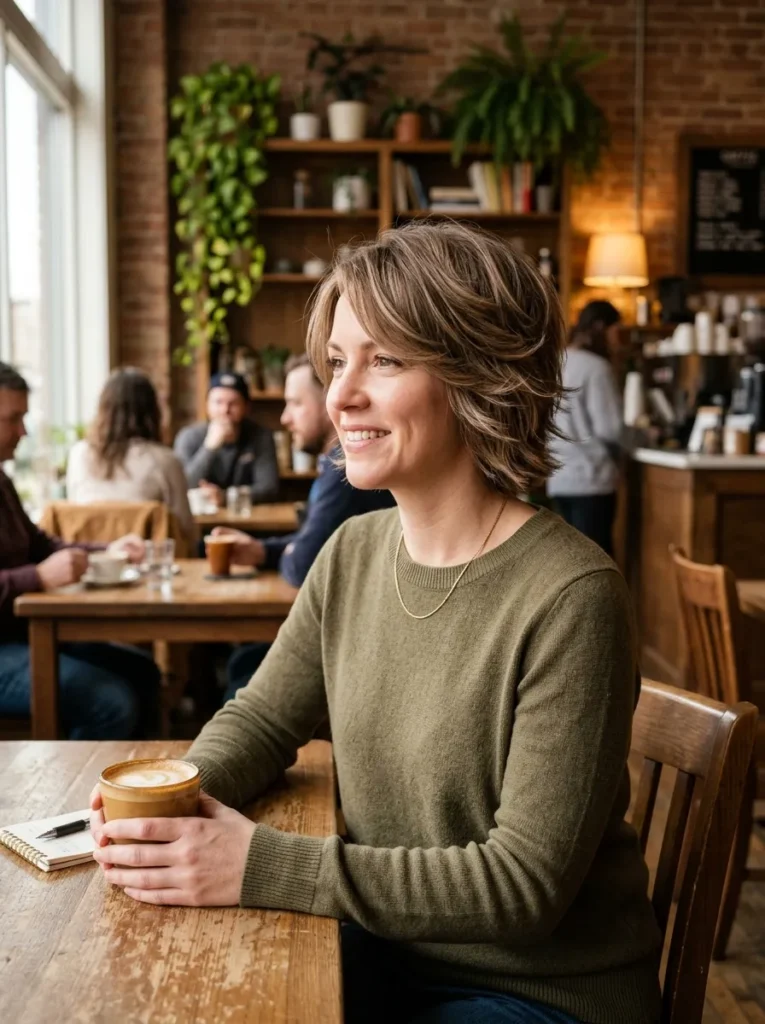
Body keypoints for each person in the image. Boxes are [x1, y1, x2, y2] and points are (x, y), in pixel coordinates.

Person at [90, 223, 661, 1024]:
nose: (340, 394)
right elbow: (261, 714)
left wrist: (257, 865)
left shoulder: (571, 595)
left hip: (535, 992)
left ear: (480, 376)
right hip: (380, 947)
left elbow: (522, 887)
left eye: (384, 360)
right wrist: (174, 802)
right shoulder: (355, 550)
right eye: (337, 361)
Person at [213, 352, 395, 701]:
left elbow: (303, 564)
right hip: (354, 631)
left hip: (358, 644)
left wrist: (292, 552)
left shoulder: (343, 471)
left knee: (241, 679)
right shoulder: (337, 463)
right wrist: (263, 551)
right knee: (242, 662)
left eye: (295, 403)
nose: (284, 418)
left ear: (330, 398)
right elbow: (310, 542)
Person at [0, 362, 160, 739]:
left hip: (23, 634)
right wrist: (36, 577)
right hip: (9, 642)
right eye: (12, 419)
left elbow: (43, 545)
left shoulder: (1, 480)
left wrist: (109, 550)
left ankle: (149, 788)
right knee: (111, 702)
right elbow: (40, 563)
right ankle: (77, 796)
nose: (22, 432)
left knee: (144, 673)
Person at [66, 367, 195, 546]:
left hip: (91, 565)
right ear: (152, 411)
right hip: (148, 568)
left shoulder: (78, 454)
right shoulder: (165, 461)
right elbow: (185, 531)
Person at [547, 300, 623, 555]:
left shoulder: (557, 362)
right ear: (601, 327)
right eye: (616, 331)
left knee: (572, 561)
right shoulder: (597, 368)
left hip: (559, 478)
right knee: (597, 560)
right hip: (591, 480)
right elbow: (610, 429)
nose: (617, 339)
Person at [174, 371, 279, 507]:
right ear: (207, 405)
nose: (225, 410)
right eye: (218, 402)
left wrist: (224, 496)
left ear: (246, 407)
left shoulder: (261, 436)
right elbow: (181, 486)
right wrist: (209, 448)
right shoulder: (188, 437)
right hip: (201, 521)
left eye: (233, 403)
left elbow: (269, 488)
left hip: (248, 520)